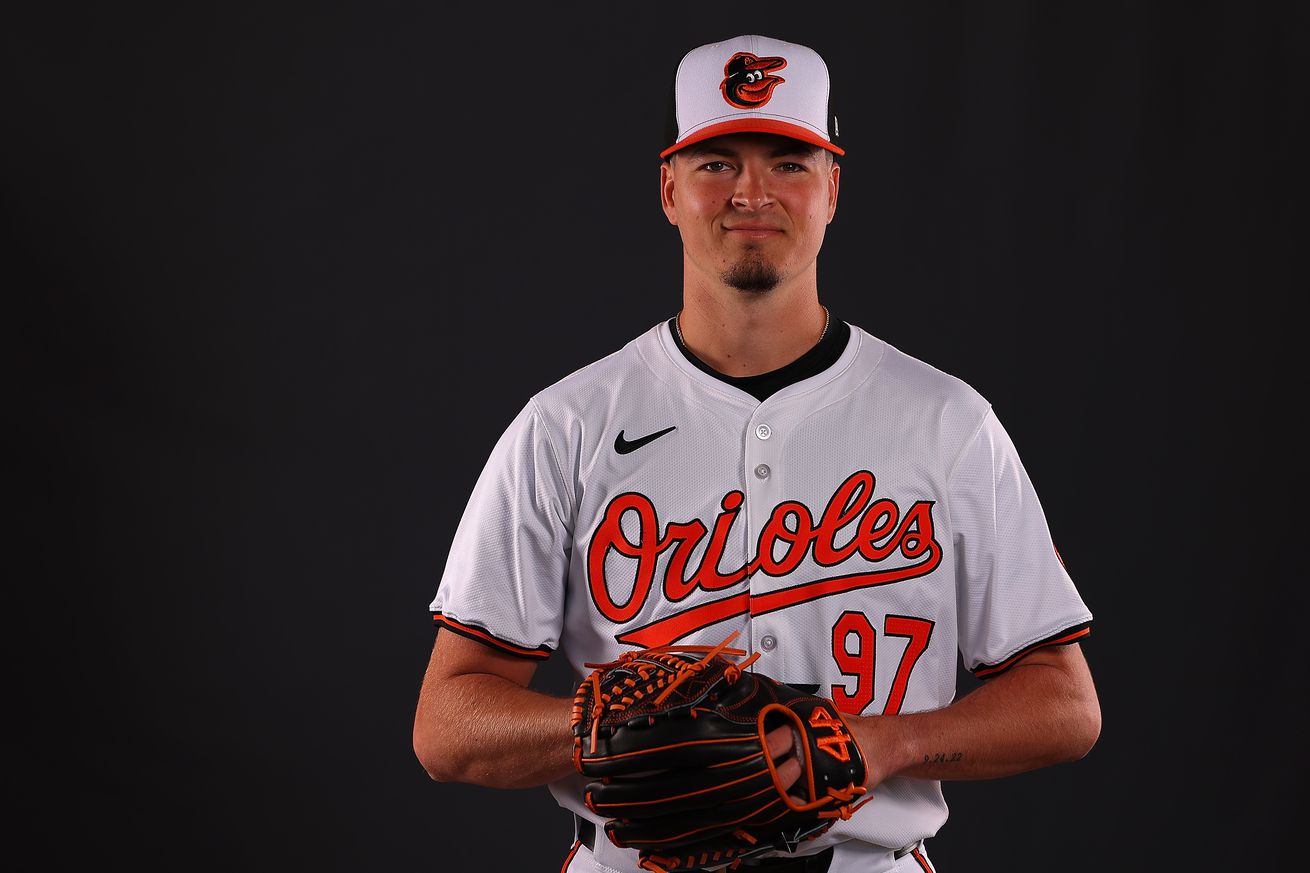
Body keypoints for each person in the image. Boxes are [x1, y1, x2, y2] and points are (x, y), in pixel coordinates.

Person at [412, 33, 1101, 873]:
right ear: (668, 188)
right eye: (715, 163)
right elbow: (446, 727)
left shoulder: (947, 423)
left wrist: (886, 743)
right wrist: (601, 724)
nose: (751, 192)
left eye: (787, 161)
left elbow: (1067, 704)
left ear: (832, 189)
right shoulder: (565, 427)